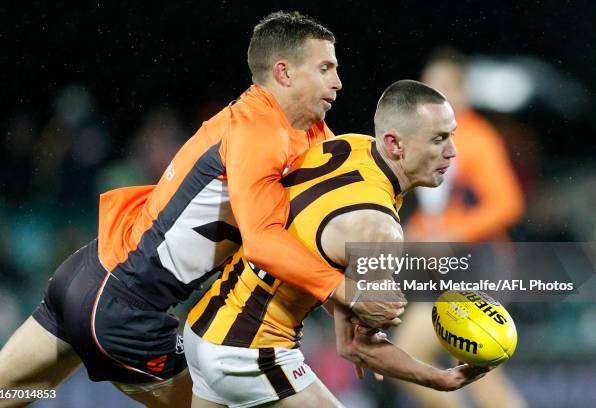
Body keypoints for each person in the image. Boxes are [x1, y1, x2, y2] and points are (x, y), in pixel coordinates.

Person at [0, 11, 404, 408]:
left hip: (85, 277)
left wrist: (349, 313)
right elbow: (262, 243)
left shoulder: (307, 135)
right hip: (125, 309)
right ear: (284, 72)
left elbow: (308, 238)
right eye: (325, 68)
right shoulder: (259, 131)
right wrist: (351, 293)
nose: (340, 82)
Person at [184, 80, 491, 408]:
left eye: (452, 134)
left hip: (203, 325)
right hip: (248, 350)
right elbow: (355, 347)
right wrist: (442, 379)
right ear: (394, 143)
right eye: (438, 139)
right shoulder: (380, 230)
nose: (452, 151)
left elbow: (309, 240)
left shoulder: (351, 146)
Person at [393, 48, 527, 408]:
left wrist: (452, 234)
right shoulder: (424, 140)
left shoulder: (478, 138)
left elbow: (507, 203)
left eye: (446, 86)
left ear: (464, 92)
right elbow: (437, 211)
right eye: (430, 86)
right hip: (444, 272)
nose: (436, 94)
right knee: (416, 360)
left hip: (479, 263)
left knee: (466, 369)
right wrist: (418, 234)